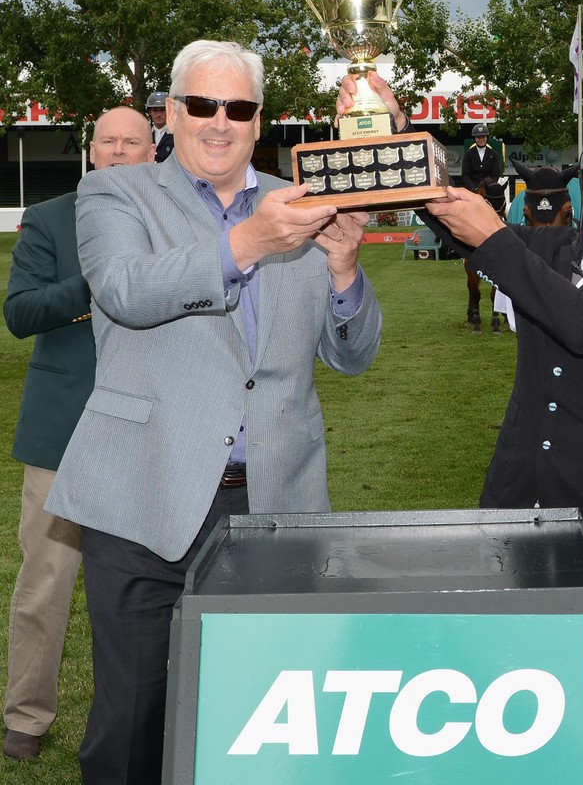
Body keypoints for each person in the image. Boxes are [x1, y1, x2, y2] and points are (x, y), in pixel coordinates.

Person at [340, 76, 583, 785]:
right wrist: (391, 135)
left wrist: (497, 240)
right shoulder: (549, 249)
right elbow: (456, 215)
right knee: (519, 727)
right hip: (521, 522)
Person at [45, 39, 382, 785]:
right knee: (132, 725)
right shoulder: (117, 194)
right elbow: (128, 289)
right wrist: (248, 242)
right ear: (172, 111)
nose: (219, 122)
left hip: (276, 507)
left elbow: (352, 354)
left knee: (263, 723)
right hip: (144, 502)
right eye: (202, 105)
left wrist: (343, 268)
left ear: (261, 120)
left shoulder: (296, 205)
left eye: (239, 107)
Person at [2, 107, 156, 761]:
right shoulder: (49, 218)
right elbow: (19, 312)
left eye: (132, 142)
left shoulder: (177, 223)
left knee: (150, 589)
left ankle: (152, 711)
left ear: (153, 152)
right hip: (64, 434)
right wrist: (94, 284)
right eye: (108, 141)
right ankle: (25, 718)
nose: (119, 152)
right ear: (90, 150)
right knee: (47, 581)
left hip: (155, 431)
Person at [461, 122, 501, 191]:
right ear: (475, 138)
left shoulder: (493, 154)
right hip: (473, 188)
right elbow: (465, 175)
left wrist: (490, 186)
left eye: (483, 137)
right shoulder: (469, 154)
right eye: (478, 137)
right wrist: (473, 187)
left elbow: (496, 174)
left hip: (489, 188)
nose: (481, 139)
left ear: (486, 138)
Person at [145, 90, 174, 161]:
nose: (158, 114)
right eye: (155, 110)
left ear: (169, 111)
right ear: (150, 112)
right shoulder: (145, 135)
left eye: (162, 110)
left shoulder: (176, 134)